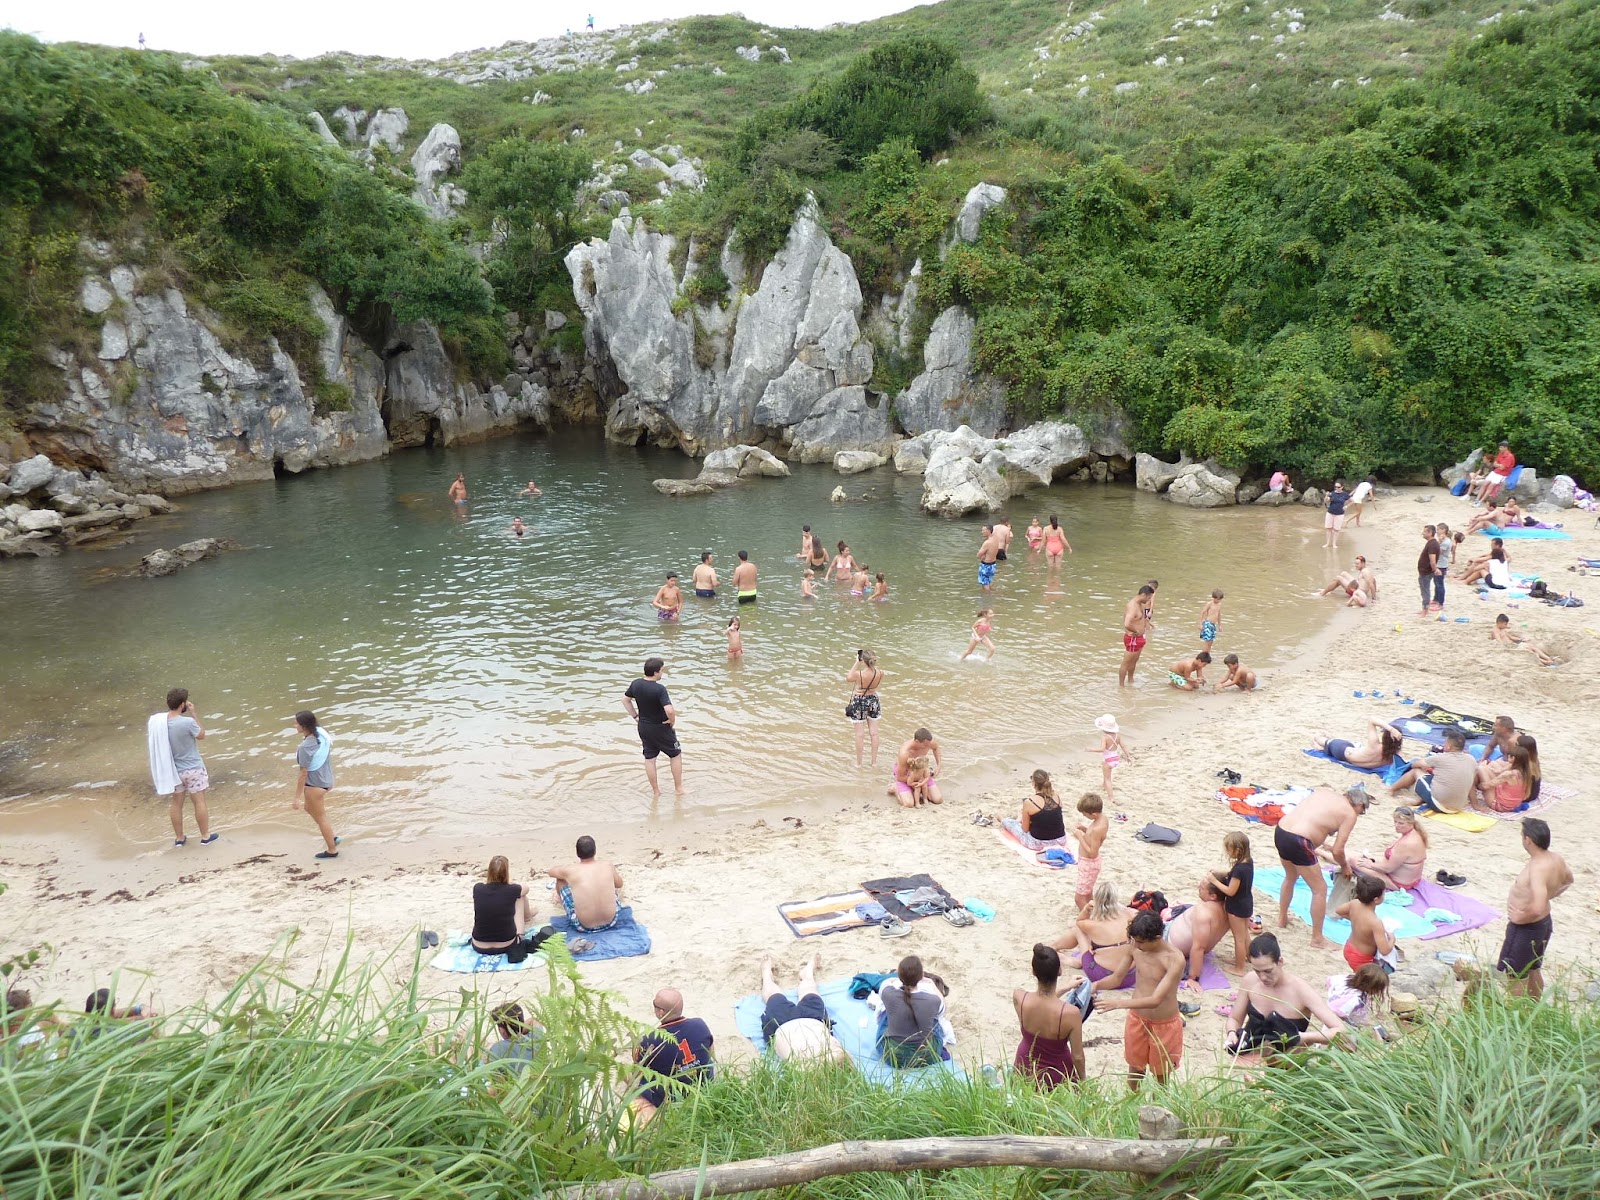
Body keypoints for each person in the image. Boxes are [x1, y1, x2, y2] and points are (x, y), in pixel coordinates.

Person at [1090, 910, 1185, 1089]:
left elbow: (1156, 999)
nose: (1136, 945)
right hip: (1137, 1019)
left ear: (1157, 938)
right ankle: (1131, 1108)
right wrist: (1095, 985)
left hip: (1164, 1023)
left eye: (1141, 942)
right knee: (1135, 1069)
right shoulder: (1135, 946)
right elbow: (1117, 977)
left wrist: (1118, 1004)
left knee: (1161, 1076)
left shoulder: (1174, 959)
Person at [1274, 785, 1371, 948]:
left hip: (1281, 831)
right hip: (1299, 840)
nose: (1359, 815)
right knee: (1320, 889)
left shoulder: (1323, 793)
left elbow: (1311, 818)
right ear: (1359, 804)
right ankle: (1317, 939)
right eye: (1361, 811)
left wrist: (1321, 840)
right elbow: (1338, 851)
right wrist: (1345, 866)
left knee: (1290, 877)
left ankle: (1282, 919)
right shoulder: (1349, 813)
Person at [1225, 934, 1346, 1056]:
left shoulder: (1301, 991)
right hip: (1248, 1059)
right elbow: (1234, 1018)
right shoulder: (1250, 981)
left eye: (1268, 971)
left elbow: (1341, 1031)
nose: (1262, 977)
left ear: (1280, 962)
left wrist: (1305, 1037)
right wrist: (1231, 1033)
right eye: (1257, 971)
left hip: (1286, 1066)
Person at [1497, 818, 1571, 998]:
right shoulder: (1556, 858)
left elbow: (1537, 908)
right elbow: (1568, 880)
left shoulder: (1537, 868)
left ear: (1528, 840)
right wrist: (1550, 895)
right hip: (1544, 924)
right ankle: (1535, 1008)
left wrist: (1519, 918)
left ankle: (1518, 1018)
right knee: (1534, 968)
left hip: (1527, 928)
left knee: (1515, 974)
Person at [632, 988, 714, 1125]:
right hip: (703, 1083)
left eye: (655, 1005)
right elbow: (711, 1049)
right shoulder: (700, 1024)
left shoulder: (650, 1040)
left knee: (633, 1075)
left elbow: (637, 1065)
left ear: (661, 1012)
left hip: (671, 1095)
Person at [1013, 944, 1086, 1088]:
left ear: (1033, 971)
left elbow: (1041, 1003)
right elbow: (1077, 1056)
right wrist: (1083, 1081)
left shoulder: (1019, 998)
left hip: (1024, 1067)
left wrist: (1066, 987)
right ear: (1059, 971)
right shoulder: (1070, 1013)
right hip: (1055, 1074)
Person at [759, 954, 849, 1064]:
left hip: (782, 1025)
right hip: (814, 1020)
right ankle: (807, 973)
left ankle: (767, 976)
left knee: (773, 995)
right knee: (810, 991)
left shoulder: (804, 1067)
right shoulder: (836, 1061)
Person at [158, 688, 217, 848]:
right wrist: (193, 713)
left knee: (176, 803)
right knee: (199, 802)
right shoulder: (187, 722)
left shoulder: (160, 725)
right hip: (193, 768)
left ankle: (179, 838)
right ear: (182, 704)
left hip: (174, 770)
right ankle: (205, 836)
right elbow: (202, 735)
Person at [471, 856, 554, 960]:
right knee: (520, 897)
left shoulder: (478, 888)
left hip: (479, 945)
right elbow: (526, 888)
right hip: (506, 944)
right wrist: (509, 882)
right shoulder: (512, 890)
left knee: (516, 896)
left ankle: (528, 916)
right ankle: (527, 917)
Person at [623, 657, 683, 798]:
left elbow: (625, 700)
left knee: (650, 758)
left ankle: (656, 792)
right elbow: (669, 710)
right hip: (660, 727)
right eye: (662, 670)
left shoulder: (636, 684)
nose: (662, 673)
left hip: (643, 726)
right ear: (656, 672)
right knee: (675, 754)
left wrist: (636, 717)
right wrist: (671, 721)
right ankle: (679, 789)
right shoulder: (659, 689)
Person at [1053, 882, 1136, 982]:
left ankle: (1054, 947)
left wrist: (1086, 909)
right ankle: (1078, 960)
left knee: (1078, 930)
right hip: (1130, 975)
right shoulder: (1128, 916)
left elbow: (1079, 922)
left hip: (1104, 976)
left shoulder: (1093, 925)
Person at [878, 956, 946, 1067]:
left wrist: (897, 979)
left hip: (893, 1057)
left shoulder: (888, 992)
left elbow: (886, 981)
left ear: (899, 976)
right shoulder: (933, 1000)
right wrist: (931, 984)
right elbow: (942, 1010)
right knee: (934, 1020)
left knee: (886, 1014)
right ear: (921, 976)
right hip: (926, 1057)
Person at [1389, 727, 1474, 813]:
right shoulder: (1471, 759)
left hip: (1440, 805)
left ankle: (1391, 789)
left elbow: (1415, 764)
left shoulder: (1441, 758)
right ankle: (1418, 799)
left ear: (1448, 747)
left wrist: (1427, 767)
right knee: (1438, 779)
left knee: (1416, 771)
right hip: (1458, 806)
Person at [1167, 879, 1231, 991]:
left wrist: (1193, 978)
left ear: (1213, 896)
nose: (1198, 888)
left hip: (1167, 940)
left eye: (1202, 888)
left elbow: (1198, 947)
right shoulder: (1233, 912)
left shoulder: (1203, 912)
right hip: (1181, 941)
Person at [550, 835, 624, 932]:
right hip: (611, 921)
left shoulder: (570, 870)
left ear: (577, 853)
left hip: (583, 926)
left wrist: (566, 871)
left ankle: (560, 899)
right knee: (611, 883)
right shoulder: (607, 865)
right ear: (595, 851)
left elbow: (551, 872)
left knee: (560, 880)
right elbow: (619, 884)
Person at [292, 709, 339, 859]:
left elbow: (303, 774)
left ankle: (332, 849)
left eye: (297, 723)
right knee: (309, 809)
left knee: (321, 818)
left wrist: (296, 798)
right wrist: (330, 780)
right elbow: (326, 757)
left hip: (315, 785)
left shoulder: (305, 748)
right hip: (325, 780)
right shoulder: (321, 733)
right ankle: (331, 836)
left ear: (304, 726)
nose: (295, 725)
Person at [1209, 831, 1255, 972]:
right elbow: (1236, 877)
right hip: (1247, 902)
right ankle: (1247, 957)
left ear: (1238, 850)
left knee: (1239, 938)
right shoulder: (1248, 862)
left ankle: (1239, 968)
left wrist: (1214, 881)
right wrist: (1225, 873)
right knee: (1245, 934)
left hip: (1237, 907)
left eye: (1229, 850)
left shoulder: (1239, 869)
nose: (1228, 853)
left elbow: (1230, 891)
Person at [1351, 806, 1428, 890]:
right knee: (1357, 856)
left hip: (1398, 883)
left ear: (1411, 823)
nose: (1396, 825)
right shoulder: (1416, 834)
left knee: (1353, 861)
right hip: (1411, 879)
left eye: (1401, 823)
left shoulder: (1407, 843)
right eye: (1395, 822)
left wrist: (1370, 864)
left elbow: (1388, 869)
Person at [1335, 874, 1397, 973]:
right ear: (1376, 899)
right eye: (1383, 894)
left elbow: (1339, 911)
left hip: (1349, 948)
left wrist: (1355, 919)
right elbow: (1384, 950)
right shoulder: (1375, 923)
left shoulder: (1354, 903)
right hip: (1362, 958)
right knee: (1367, 983)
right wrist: (1392, 939)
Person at [845, 649, 884, 767]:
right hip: (873, 700)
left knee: (860, 735)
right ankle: (874, 763)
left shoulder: (859, 674)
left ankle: (858, 764)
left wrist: (857, 662)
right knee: (874, 733)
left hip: (859, 701)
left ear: (864, 661)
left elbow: (848, 677)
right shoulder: (881, 673)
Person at [1012, 769, 1067, 850]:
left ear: (1033, 783)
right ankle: (1020, 817)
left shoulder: (1029, 802)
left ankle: (1002, 818)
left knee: (1010, 823)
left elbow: (1025, 829)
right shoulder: (1056, 797)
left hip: (1038, 843)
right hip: (1061, 840)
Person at [1313, 718, 1403, 768]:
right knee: (1352, 745)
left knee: (1322, 740)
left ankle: (1317, 739)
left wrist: (1391, 729)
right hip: (1350, 755)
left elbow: (1372, 720)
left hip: (1342, 751)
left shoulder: (1374, 745)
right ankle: (1322, 747)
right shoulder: (1393, 757)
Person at [486, 1002, 543, 1078]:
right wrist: (518, 1030)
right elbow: (533, 1021)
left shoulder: (498, 1048)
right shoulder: (536, 1039)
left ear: (502, 1030)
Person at [1073, 793, 1107, 911]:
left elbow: (1092, 853)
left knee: (1079, 898)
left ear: (1093, 814)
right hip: (1089, 864)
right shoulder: (1102, 819)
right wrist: (1085, 829)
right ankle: (1094, 912)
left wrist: (1080, 837)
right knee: (1087, 894)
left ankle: (1089, 918)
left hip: (1089, 864)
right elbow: (1095, 838)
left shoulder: (1098, 829)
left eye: (1085, 814)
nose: (1084, 816)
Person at [891, 729, 943, 807]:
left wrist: (938, 766)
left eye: (929, 744)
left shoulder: (928, 742)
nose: (928, 746)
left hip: (921, 772)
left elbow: (936, 748)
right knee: (909, 804)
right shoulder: (905, 752)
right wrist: (917, 780)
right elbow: (900, 777)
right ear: (917, 741)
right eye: (925, 745)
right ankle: (895, 789)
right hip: (906, 774)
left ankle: (917, 791)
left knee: (938, 799)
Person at [1476, 743, 1532, 813]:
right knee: (1490, 766)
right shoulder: (1526, 773)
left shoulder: (1509, 774)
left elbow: (1486, 786)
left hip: (1501, 806)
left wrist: (1478, 786)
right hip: (1515, 804)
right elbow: (1499, 773)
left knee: (1481, 768)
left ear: (1513, 758)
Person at [1119, 585, 1155, 686]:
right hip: (1132, 638)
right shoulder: (1133, 606)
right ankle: (1121, 685)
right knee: (1126, 663)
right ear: (1143, 595)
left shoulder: (1140, 604)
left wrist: (1148, 625)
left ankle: (1130, 680)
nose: (1148, 600)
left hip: (1139, 638)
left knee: (1134, 661)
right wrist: (1135, 631)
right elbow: (1127, 623)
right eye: (1148, 598)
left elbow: (1142, 619)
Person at [1491, 614, 1558, 665]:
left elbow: (1511, 637)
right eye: (1505, 624)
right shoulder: (1495, 631)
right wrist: (1508, 647)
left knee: (1531, 646)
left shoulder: (1502, 629)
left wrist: (1520, 639)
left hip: (1513, 644)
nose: (1506, 626)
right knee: (1529, 652)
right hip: (1510, 647)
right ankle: (1547, 662)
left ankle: (1548, 658)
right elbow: (1499, 641)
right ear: (1499, 623)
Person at [1095, 714, 1129, 802]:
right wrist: (1128, 756)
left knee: (1108, 779)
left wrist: (1090, 749)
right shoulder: (1118, 736)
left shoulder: (1105, 737)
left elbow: (1102, 749)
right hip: (1115, 759)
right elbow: (1124, 746)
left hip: (1108, 760)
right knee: (1106, 774)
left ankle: (1111, 797)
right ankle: (1103, 785)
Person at [1479, 440, 1517, 505]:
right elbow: (1494, 463)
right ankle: (1477, 499)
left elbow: (1503, 468)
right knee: (1484, 484)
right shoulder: (1500, 454)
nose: (1500, 449)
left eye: (1501, 447)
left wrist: (1498, 465)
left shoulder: (1510, 456)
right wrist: (1499, 465)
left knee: (1491, 486)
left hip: (1503, 474)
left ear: (1506, 447)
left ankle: (1481, 501)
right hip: (1496, 472)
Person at [1416, 525, 1441, 616]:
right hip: (1424, 571)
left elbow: (1432, 560)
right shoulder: (1431, 543)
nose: (1423, 533)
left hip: (1426, 572)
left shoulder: (1432, 544)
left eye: (1425, 531)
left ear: (1430, 533)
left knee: (1425, 590)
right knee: (1424, 590)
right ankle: (1424, 608)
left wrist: (1435, 569)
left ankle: (1425, 610)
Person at [1433, 522, 1455, 608]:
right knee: (1436, 582)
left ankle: (1440, 602)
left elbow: (1438, 552)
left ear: (1443, 530)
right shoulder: (1444, 540)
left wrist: (1438, 542)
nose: (1437, 531)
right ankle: (1436, 599)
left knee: (1439, 584)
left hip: (1441, 565)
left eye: (1438, 529)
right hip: (1438, 563)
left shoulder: (1446, 542)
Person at [1322, 480, 1350, 549]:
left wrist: (1347, 506)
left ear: (1342, 487)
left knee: (1336, 529)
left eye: (1338, 487)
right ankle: (1327, 543)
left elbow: (1352, 500)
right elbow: (1326, 501)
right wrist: (1326, 495)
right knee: (1328, 528)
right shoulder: (1332, 493)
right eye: (1335, 487)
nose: (1337, 488)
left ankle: (1334, 544)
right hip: (1330, 512)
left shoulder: (1345, 494)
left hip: (1340, 514)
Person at [977, 525, 1000, 591]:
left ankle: (988, 598)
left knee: (985, 585)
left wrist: (981, 554)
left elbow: (978, 555)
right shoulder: (996, 539)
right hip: (992, 565)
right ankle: (990, 596)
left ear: (989, 531)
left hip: (986, 565)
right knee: (989, 582)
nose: (982, 532)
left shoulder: (987, 542)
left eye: (983, 530)